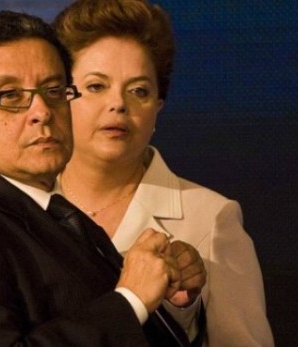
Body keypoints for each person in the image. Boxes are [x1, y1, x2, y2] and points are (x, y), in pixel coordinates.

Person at [0, 10, 205, 346]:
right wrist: (129, 301)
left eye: (54, 90)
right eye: (10, 96)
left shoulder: (50, 208)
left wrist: (168, 297)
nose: (42, 112)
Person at [53, 0, 274, 346]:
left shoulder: (211, 218)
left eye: (139, 90)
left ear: (157, 107)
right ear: (62, 96)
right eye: (97, 86)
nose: (119, 104)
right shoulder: (26, 205)